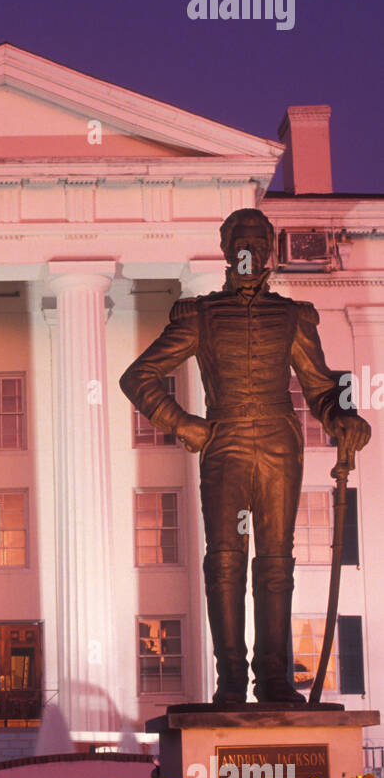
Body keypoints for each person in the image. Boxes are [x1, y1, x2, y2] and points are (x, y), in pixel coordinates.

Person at [119, 208, 371, 705]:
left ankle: (274, 677)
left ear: (270, 253)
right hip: (226, 442)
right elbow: (138, 377)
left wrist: (344, 417)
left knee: (276, 563)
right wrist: (185, 425)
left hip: (280, 443)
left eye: (259, 242)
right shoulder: (203, 316)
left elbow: (321, 386)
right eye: (241, 242)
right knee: (226, 562)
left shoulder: (292, 316)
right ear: (227, 250)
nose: (250, 251)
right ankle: (231, 678)